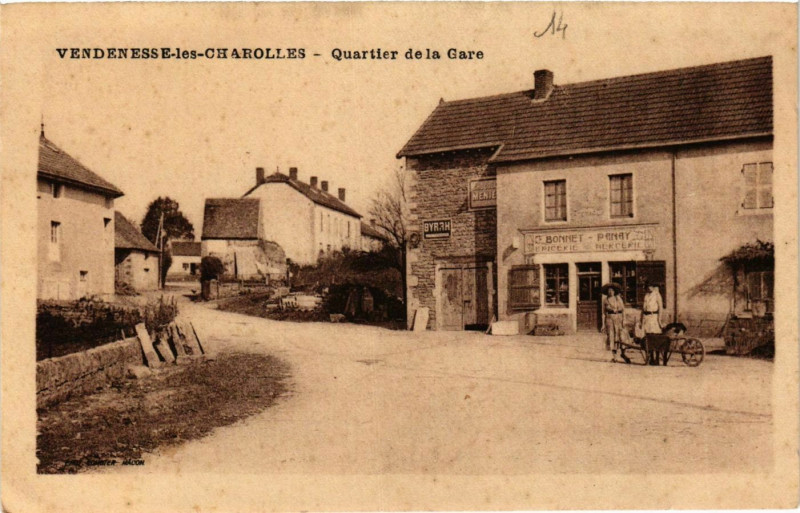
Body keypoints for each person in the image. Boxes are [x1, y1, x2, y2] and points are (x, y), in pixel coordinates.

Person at [601, 283, 627, 363]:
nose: (610, 292)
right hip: (609, 319)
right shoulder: (605, 300)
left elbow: (623, 310)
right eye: (609, 290)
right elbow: (603, 313)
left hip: (618, 318)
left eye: (612, 290)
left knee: (621, 336)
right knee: (611, 337)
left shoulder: (618, 298)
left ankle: (623, 353)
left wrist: (624, 320)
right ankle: (614, 357)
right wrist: (603, 324)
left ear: (614, 291)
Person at [640, 282, 664, 365]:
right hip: (646, 318)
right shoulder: (646, 296)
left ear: (653, 287)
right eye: (648, 286)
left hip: (654, 317)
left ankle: (657, 359)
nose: (650, 288)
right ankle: (650, 358)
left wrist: (659, 320)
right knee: (647, 338)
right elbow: (643, 310)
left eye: (651, 286)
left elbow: (661, 308)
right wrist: (641, 321)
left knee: (655, 338)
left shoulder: (657, 295)